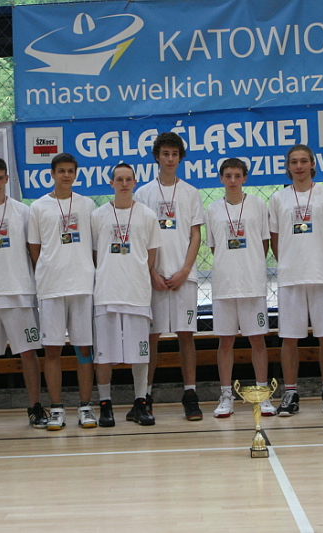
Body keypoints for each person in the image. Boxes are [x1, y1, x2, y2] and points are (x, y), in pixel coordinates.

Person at [0, 157, 48, 429]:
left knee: (28, 352)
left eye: (1, 178)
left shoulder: (23, 212)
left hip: (20, 293)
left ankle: (35, 406)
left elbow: (34, 250)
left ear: (7, 179)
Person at [269, 144, 323, 416]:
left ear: (313, 164)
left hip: (322, 275)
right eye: (294, 162)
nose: (299, 166)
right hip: (291, 278)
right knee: (289, 338)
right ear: (288, 167)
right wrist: (290, 262)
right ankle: (290, 394)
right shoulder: (278, 198)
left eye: (304, 161)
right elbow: (275, 239)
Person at [134, 132, 205, 421]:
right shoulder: (143, 193)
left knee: (186, 335)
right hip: (153, 278)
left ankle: (190, 394)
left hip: (183, 276)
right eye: (165, 153)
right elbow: (139, 237)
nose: (170, 159)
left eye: (175, 154)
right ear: (157, 157)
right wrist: (151, 272)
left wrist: (185, 270)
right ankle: (145, 395)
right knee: (151, 336)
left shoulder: (190, 192)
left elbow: (196, 234)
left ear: (181, 157)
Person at [28, 153, 97, 430]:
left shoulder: (87, 204)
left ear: (76, 174)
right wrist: (49, 270)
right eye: (61, 171)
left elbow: (94, 245)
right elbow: (34, 248)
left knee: (84, 349)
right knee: (52, 350)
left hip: (82, 286)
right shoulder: (38, 207)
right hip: (52, 288)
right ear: (52, 174)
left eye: (70, 171)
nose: (66, 175)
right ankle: (56, 408)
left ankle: (85, 407)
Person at [91, 164, 161, 427]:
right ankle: (105, 404)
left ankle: (140, 403)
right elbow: (95, 254)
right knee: (104, 354)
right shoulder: (98, 215)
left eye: (128, 179)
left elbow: (151, 255)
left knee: (140, 353)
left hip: (137, 293)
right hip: (106, 292)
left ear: (135, 182)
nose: (123, 183)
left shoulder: (147, 215)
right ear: (111, 183)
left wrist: (137, 273)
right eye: (119, 179)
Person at [205, 158, 273, 418]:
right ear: (221, 179)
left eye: (237, 175)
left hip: (252, 285)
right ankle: (226, 395)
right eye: (228, 176)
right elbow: (214, 247)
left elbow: (264, 243)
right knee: (225, 342)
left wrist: (249, 265)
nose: (232, 180)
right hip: (224, 286)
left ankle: (262, 394)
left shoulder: (258, 205)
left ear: (244, 178)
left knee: (257, 340)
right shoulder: (212, 209)